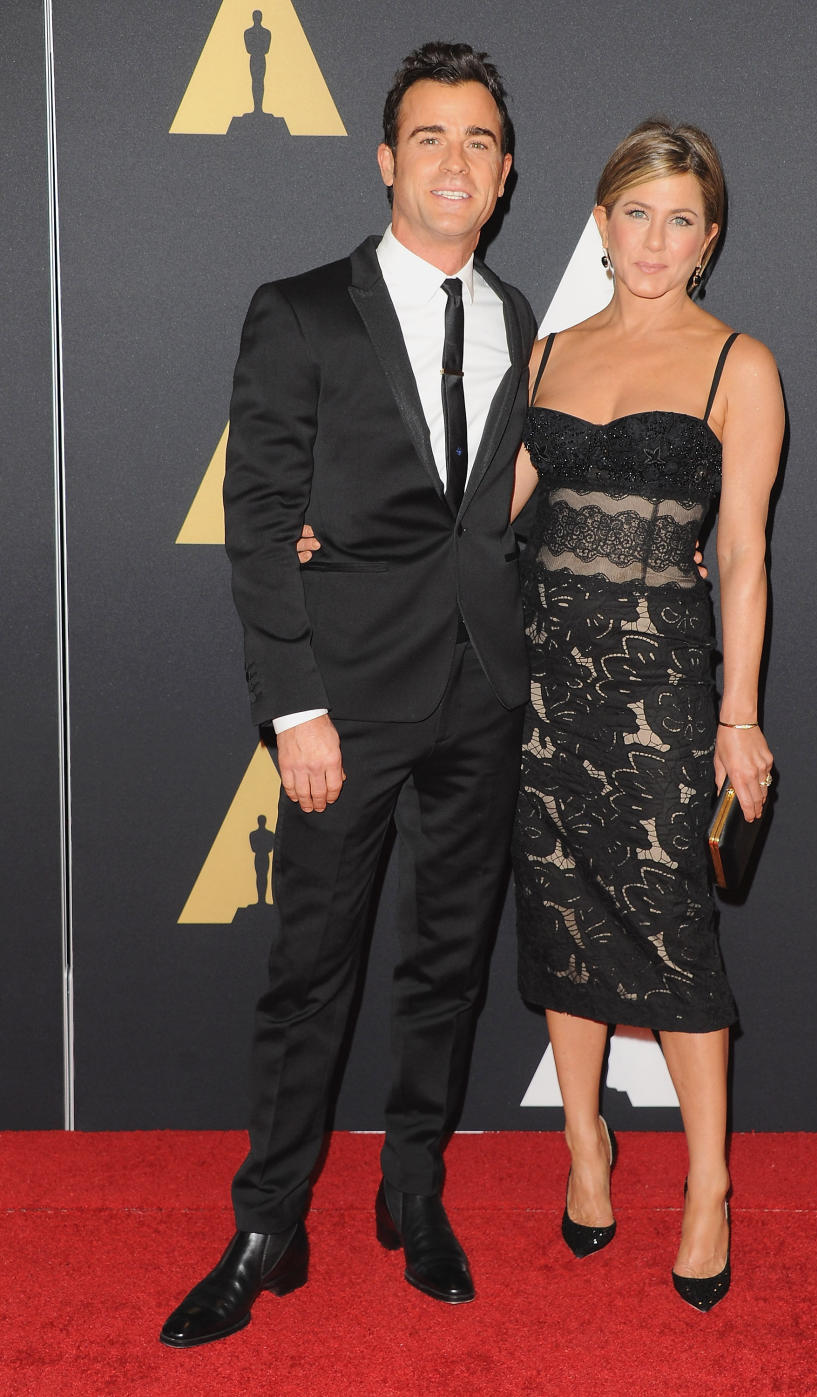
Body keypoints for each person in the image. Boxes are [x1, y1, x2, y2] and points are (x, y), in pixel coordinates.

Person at [160, 42, 537, 1348]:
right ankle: (271, 1215)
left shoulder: (524, 321)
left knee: (446, 962)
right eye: (429, 136)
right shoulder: (302, 309)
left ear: (502, 176)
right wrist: (295, 704)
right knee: (310, 968)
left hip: (485, 693)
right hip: (347, 706)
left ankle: (413, 1189)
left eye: (479, 141)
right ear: (386, 160)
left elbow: (503, 515)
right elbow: (257, 515)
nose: (454, 160)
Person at [508, 119, 783, 1311]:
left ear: (708, 238)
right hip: (540, 684)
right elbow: (481, 520)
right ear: (602, 220)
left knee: (677, 939)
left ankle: (710, 1184)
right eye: (636, 212)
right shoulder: (546, 352)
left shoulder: (740, 364)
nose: (656, 239)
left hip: (664, 690)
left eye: (682, 218)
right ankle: (585, 1146)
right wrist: (339, 538)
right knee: (562, 923)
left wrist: (738, 714)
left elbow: (743, 555)